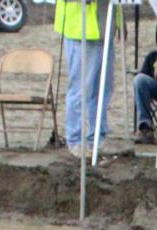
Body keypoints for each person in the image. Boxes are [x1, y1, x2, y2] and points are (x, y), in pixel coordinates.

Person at [54, 0, 116, 157]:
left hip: (105, 27)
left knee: (103, 89)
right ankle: (75, 140)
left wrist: (119, 23)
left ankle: (97, 138)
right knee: (81, 90)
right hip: (80, 29)